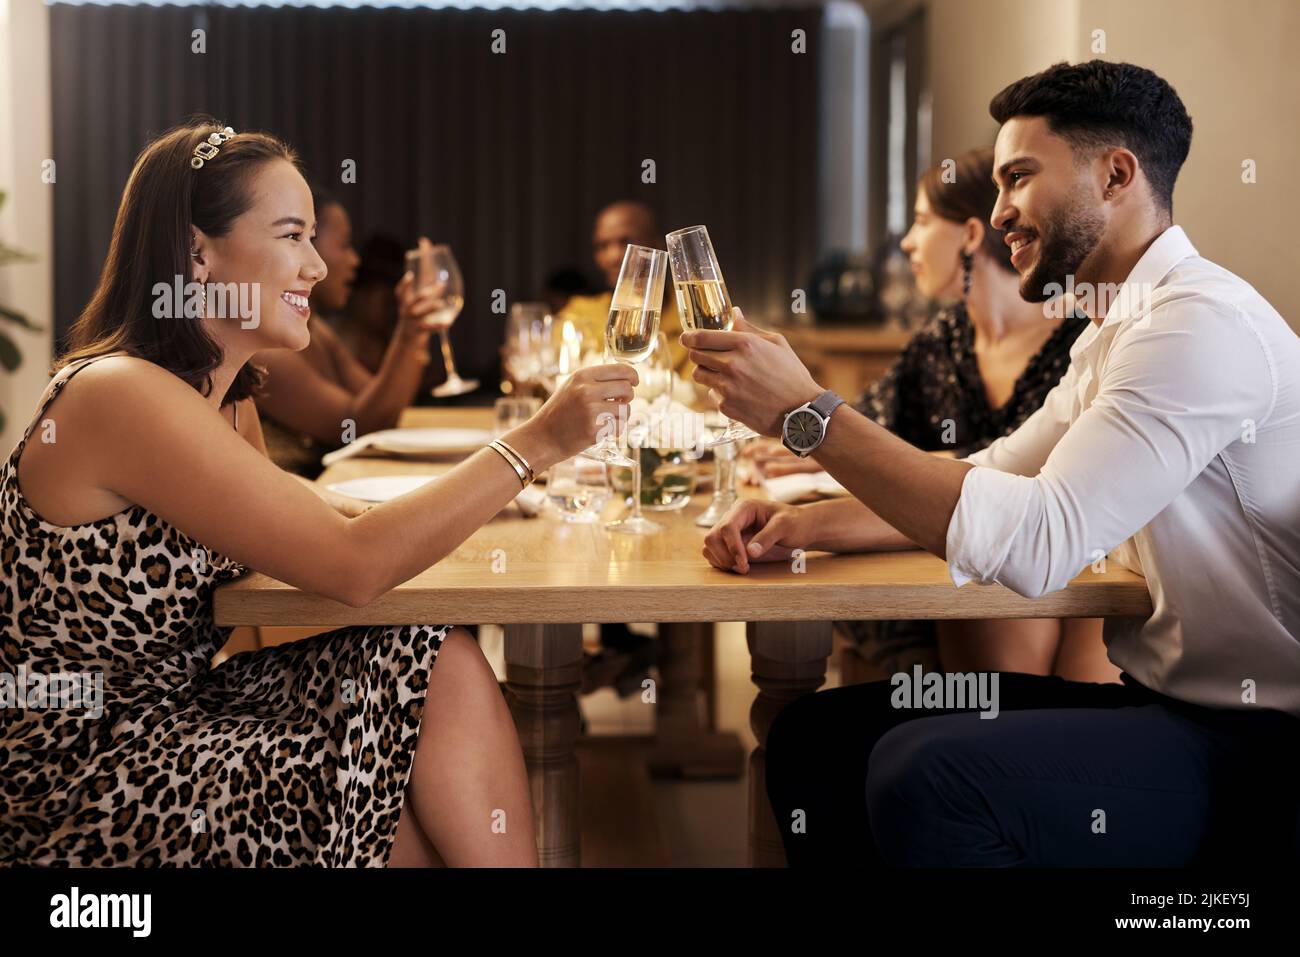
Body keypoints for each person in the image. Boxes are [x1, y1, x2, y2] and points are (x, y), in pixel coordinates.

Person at [687, 62, 1300, 866]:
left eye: (1020, 177)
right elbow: (993, 471)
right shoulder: (1118, 329)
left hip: (1258, 744)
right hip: (1167, 705)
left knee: (927, 776)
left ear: (1116, 175)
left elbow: (1040, 541)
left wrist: (808, 416)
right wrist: (803, 524)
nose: (999, 209)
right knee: (816, 736)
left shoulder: (1195, 325)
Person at [0, 119, 638, 867]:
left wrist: (500, 505)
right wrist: (536, 444)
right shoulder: (119, 393)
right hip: (82, 773)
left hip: (177, 711)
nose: (317, 266)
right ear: (197, 252)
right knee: (402, 817)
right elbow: (351, 563)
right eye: (292, 236)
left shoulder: (224, 402)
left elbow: (322, 515)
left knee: (434, 656)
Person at [748, 148, 1111, 681]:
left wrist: (826, 443)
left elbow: (1023, 491)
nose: (906, 242)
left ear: (970, 236)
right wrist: (817, 450)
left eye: (921, 221)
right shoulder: (943, 340)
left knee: (1010, 606)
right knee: (989, 597)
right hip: (975, 569)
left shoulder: (1083, 343)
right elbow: (865, 429)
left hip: (1067, 567)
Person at [252, 186, 438, 478]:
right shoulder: (266, 348)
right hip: (300, 499)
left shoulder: (318, 331)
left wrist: (417, 327)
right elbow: (357, 426)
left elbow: (385, 407)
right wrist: (409, 332)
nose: (355, 260)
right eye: (345, 245)